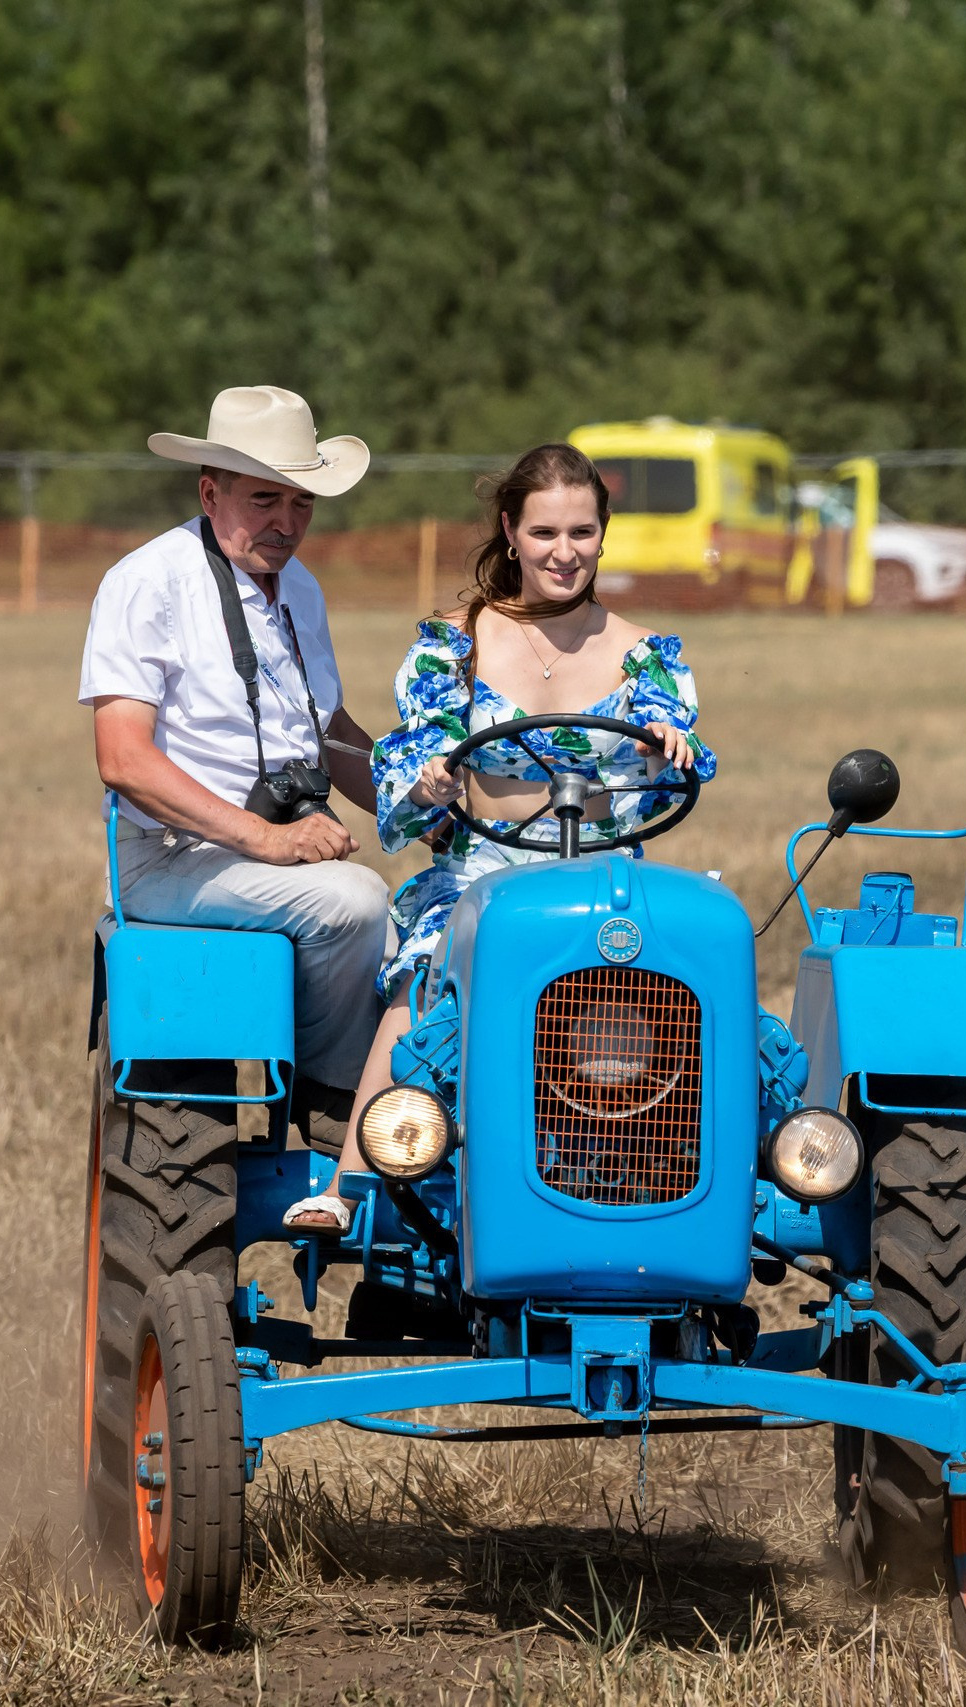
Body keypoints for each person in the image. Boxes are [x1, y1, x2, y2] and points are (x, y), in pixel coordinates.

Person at [282, 442, 716, 1233]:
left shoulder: (647, 656)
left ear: (603, 534)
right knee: (426, 973)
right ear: (511, 531)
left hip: (604, 871)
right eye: (546, 532)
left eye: (582, 532)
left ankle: (681, 1185)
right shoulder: (454, 643)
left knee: (689, 971)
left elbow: (679, 750)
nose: (565, 552)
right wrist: (428, 780)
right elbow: (413, 755)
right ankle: (348, 1184)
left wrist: (666, 740)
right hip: (484, 871)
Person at [78, 385, 391, 1150]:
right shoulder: (146, 581)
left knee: (439, 928)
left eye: (302, 503)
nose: (287, 523)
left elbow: (331, 734)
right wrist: (267, 839)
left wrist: (430, 799)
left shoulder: (302, 590)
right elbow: (122, 759)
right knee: (355, 901)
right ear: (210, 491)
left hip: (271, 854)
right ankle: (338, 1106)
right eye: (265, 500)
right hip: (170, 859)